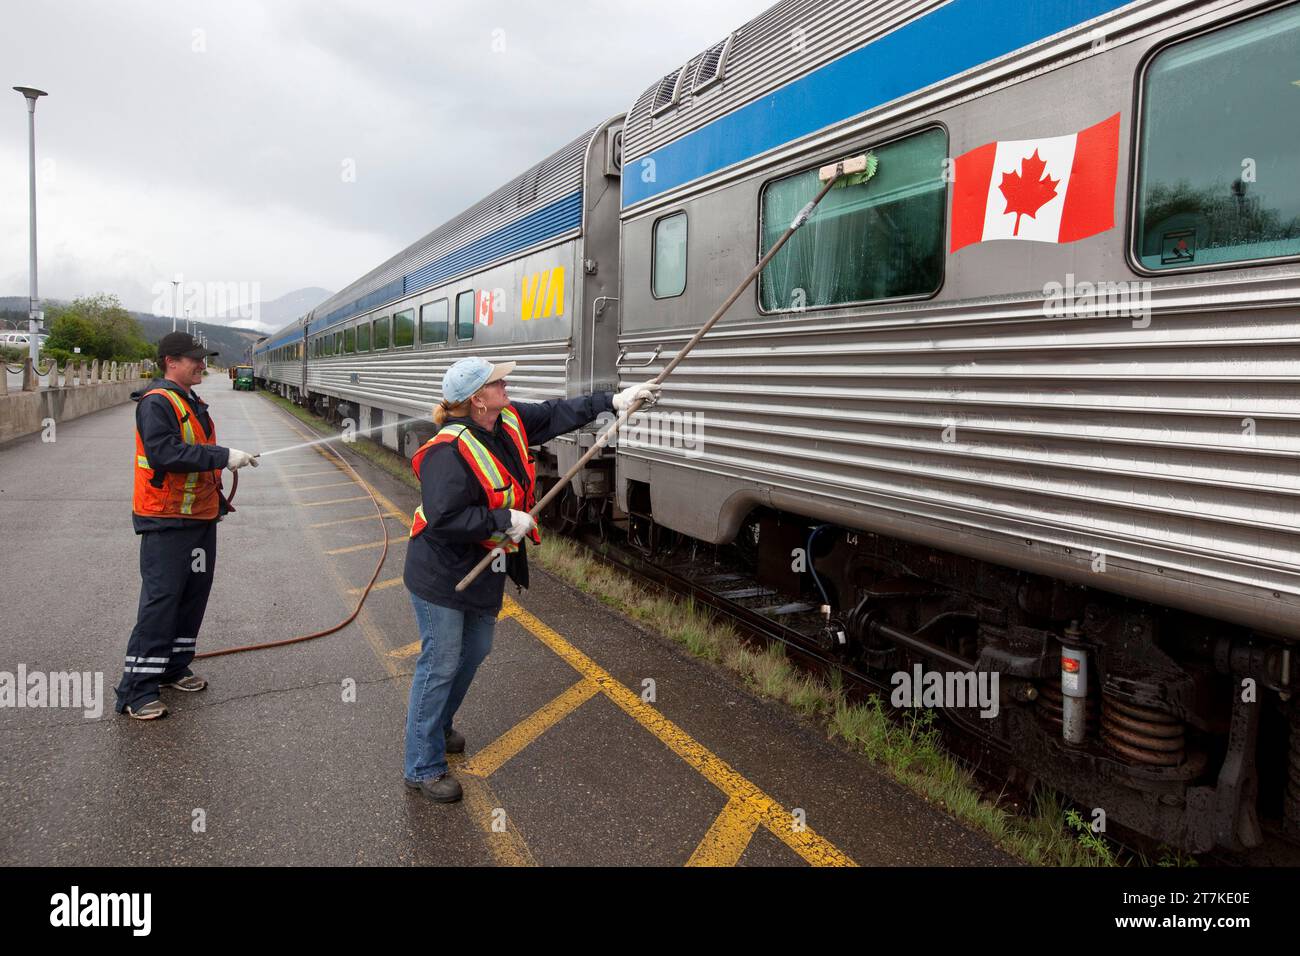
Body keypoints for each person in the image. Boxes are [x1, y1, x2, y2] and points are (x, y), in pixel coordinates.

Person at [402, 356, 660, 801]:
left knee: (476, 649)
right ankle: (422, 766)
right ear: (477, 399)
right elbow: (444, 519)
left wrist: (615, 402)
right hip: (441, 572)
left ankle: (438, 726)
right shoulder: (446, 451)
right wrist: (504, 518)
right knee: (440, 662)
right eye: (499, 382)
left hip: (484, 568)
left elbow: (558, 411)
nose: (508, 385)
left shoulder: (510, 419)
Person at [114, 332, 260, 720]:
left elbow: (193, 452)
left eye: (201, 359)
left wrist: (222, 463)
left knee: (193, 593)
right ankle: (137, 690)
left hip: (198, 517)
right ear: (170, 362)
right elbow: (165, 454)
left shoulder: (190, 401)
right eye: (194, 359)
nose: (201, 365)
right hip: (165, 520)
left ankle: (174, 667)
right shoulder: (157, 403)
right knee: (162, 599)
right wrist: (223, 455)